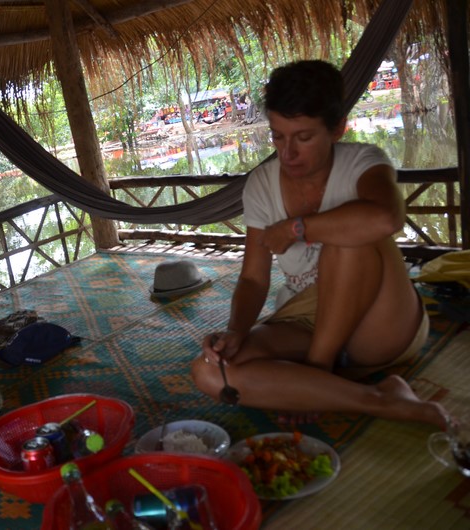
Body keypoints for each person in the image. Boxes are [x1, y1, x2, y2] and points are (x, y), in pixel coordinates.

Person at [190, 60, 449, 430]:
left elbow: (386, 218)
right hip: (304, 318)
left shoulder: (363, 163)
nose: (288, 153)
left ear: (338, 129)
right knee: (210, 371)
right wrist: (236, 332)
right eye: (278, 137)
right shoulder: (261, 185)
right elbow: (253, 279)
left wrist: (298, 228)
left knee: (350, 234)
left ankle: (317, 372)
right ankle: (382, 398)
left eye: (304, 137)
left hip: (378, 321)